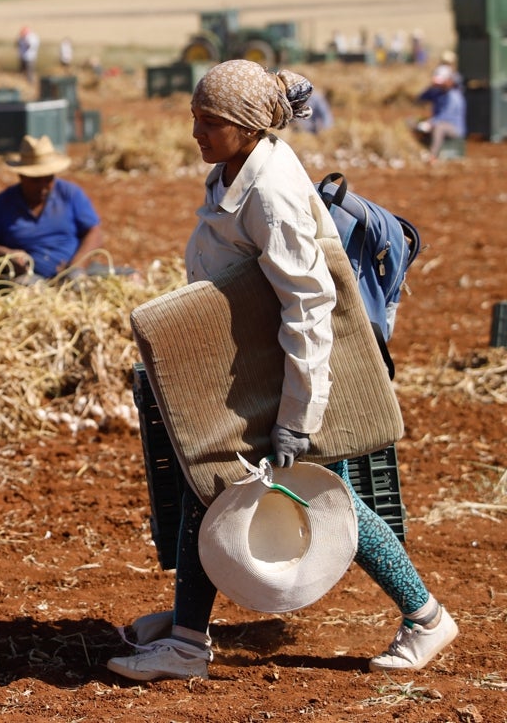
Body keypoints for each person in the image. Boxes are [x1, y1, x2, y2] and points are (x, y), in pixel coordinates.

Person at [106, 60, 457, 682]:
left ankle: (426, 618)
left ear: (245, 125)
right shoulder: (234, 170)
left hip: (296, 371)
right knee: (207, 486)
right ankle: (188, 636)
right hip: (258, 364)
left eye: (209, 122)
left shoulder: (269, 192)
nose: (196, 133)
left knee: (326, 498)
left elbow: (309, 304)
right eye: (195, 119)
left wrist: (299, 414)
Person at [0, 134, 112, 291]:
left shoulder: (70, 194)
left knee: (122, 281)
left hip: (72, 271)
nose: (43, 186)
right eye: (35, 180)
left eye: (48, 179)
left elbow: (94, 232)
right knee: (28, 293)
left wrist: (76, 267)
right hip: (30, 279)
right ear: (21, 176)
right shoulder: (1, 204)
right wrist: (6, 255)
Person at [413, 64, 466, 163]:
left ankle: (433, 156)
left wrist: (430, 123)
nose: (439, 85)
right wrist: (431, 87)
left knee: (439, 127)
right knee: (413, 122)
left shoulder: (454, 96)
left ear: (449, 81)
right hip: (437, 122)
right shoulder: (437, 92)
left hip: (454, 128)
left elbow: (445, 116)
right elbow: (421, 98)